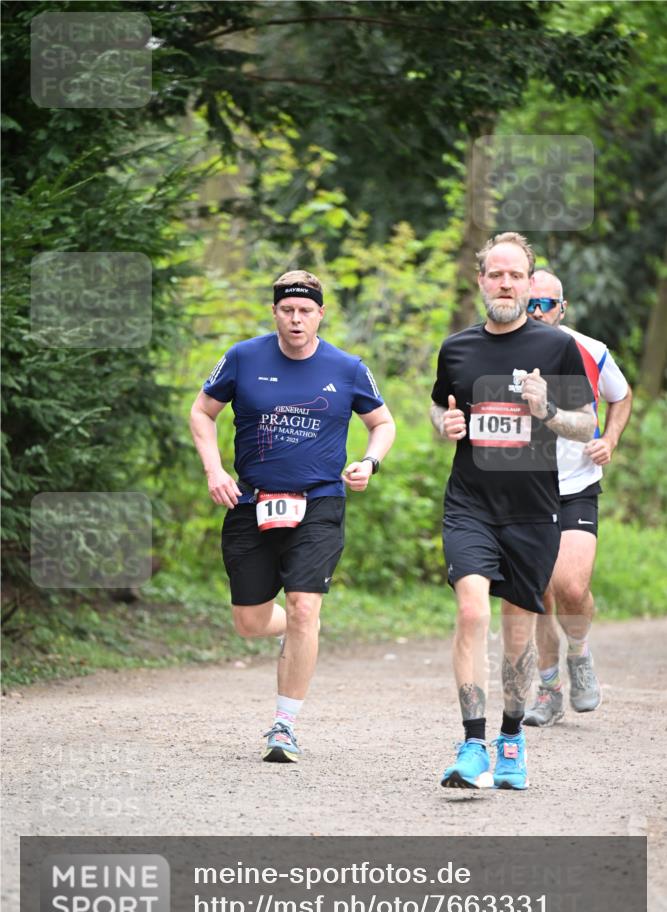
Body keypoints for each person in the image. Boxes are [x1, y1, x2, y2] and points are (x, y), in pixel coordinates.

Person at [190, 270, 395, 763]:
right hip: (249, 501)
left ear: (320, 314)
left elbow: (382, 422)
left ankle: (284, 726)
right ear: (275, 312)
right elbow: (202, 412)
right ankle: (298, 630)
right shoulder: (243, 357)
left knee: (305, 606)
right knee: (249, 622)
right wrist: (215, 470)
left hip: (320, 502)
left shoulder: (347, 367)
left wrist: (368, 462)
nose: (296, 319)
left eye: (306, 310)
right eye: (287, 310)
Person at [430, 232, 596, 791]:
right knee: (473, 612)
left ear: (529, 283)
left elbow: (585, 424)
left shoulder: (556, 348)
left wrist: (546, 408)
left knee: (518, 632)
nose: (505, 284)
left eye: (515, 276)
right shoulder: (456, 348)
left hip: (532, 510)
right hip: (470, 503)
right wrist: (445, 425)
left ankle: (511, 739)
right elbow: (440, 407)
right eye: (495, 274)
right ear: (480, 280)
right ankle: (472, 742)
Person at [523, 269, 632, 726]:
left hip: (576, 485)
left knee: (571, 587)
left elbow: (621, 397)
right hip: (524, 488)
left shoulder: (589, 350)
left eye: (545, 304)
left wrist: (610, 439)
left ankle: (580, 652)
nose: (536, 312)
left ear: (562, 308)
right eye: (529, 304)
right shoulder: (499, 349)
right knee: (539, 594)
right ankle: (549, 690)